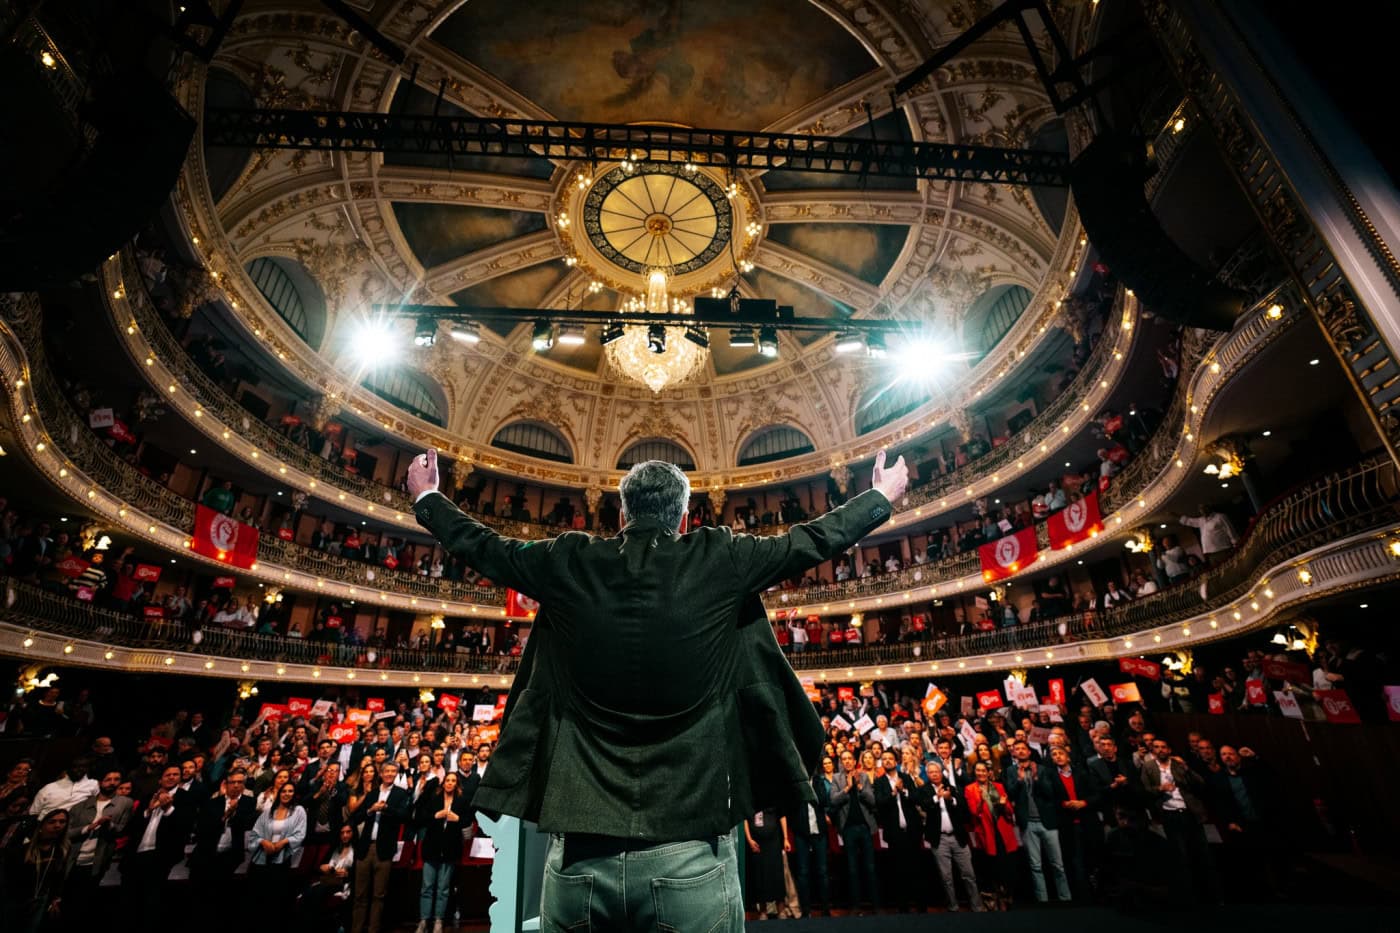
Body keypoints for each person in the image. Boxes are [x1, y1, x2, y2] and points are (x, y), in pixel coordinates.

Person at [406, 447, 907, 929]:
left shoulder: (569, 559)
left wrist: (429, 499)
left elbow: (488, 549)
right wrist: (879, 497)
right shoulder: (720, 556)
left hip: (579, 859)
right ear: (684, 517)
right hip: (691, 856)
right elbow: (809, 541)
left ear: (622, 513)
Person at [63, 769, 132, 931]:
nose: (113, 783)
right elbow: (66, 833)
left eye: (117, 779)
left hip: (97, 860)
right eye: (108, 779)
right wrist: (89, 827)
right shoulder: (81, 805)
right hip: (73, 858)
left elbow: (123, 829)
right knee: (66, 900)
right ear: (100, 782)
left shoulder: (125, 803)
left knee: (85, 903)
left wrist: (109, 825)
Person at [190, 769, 258, 933]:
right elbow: (203, 828)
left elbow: (246, 823)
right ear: (226, 784)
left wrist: (233, 814)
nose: (236, 785)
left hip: (230, 856)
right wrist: (225, 815)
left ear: (244, 785)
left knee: (222, 897)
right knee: (199, 898)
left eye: (240, 782)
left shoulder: (249, 802)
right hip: (206, 854)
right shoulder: (213, 802)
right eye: (232, 782)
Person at [349, 761, 410, 933]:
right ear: (381, 774)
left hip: (384, 849)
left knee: (379, 895)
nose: (390, 774)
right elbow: (357, 817)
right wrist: (371, 810)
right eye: (387, 771)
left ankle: (373, 930)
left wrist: (386, 808)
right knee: (359, 895)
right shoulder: (372, 793)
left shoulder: (400, 794)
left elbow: (404, 816)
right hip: (365, 848)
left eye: (393, 771)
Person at [914, 761, 983, 912]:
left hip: (958, 837)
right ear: (927, 775)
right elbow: (924, 805)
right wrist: (937, 797)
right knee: (946, 877)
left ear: (941, 773)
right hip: (939, 839)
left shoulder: (951, 788)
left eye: (936, 772)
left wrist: (950, 799)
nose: (934, 774)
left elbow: (963, 809)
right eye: (931, 772)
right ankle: (953, 906)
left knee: (969, 874)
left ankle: (977, 906)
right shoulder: (923, 790)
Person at [415, 771, 470, 933]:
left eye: (453, 781)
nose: (450, 783)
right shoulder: (434, 798)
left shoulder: (461, 801)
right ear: (443, 783)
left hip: (450, 850)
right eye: (448, 780)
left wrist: (457, 819)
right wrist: (435, 815)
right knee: (427, 887)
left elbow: (468, 820)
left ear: (456, 784)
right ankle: (424, 921)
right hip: (431, 849)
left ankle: (438, 920)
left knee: (443, 889)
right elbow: (421, 818)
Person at [248, 781, 307, 929]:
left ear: (294, 794)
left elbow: (300, 834)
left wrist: (283, 842)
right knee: (258, 900)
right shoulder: (268, 812)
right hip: (262, 859)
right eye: (284, 791)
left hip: (282, 861)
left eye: (290, 791)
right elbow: (254, 834)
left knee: (276, 901)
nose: (287, 794)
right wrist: (263, 842)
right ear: (279, 793)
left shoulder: (298, 811)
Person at [828, 750, 880, 915]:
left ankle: (875, 905)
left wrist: (858, 786)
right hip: (848, 828)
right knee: (852, 869)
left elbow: (872, 800)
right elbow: (833, 800)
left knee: (870, 868)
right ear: (841, 762)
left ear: (854, 760)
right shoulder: (837, 778)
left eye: (850, 758)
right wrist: (848, 788)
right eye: (844, 759)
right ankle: (855, 906)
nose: (847, 761)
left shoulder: (863, 776)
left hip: (865, 827)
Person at [1, 807, 68, 933]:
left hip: (40, 901)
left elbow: (58, 876)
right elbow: (7, 878)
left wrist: (55, 898)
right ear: (41, 825)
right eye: (52, 822)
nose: (58, 826)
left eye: (62, 822)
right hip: (16, 900)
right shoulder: (21, 849)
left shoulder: (61, 850)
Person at [965, 761, 1018, 910]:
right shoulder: (970, 789)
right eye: (978, 770)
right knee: (990, 866)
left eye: (983, 770)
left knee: (1005, 865)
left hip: (1002, 830)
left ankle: (1006, 898)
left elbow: (1009, 811)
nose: (981, 773)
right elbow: (974, 812)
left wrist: (1004, 804)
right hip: (985, 832)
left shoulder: (998, 786)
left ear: (989, 772)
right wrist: (981, 800)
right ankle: (992, 900)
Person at [743, 807, 787, 919]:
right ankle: (763, 911)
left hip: (774, 842)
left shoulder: (774, 800)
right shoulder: (751, 800)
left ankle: (781, 909)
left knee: (777, 874)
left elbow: (782, 817)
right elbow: (745, 820)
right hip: (757, 843)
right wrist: (749, 839)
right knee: (760, 876)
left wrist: (786, 838)